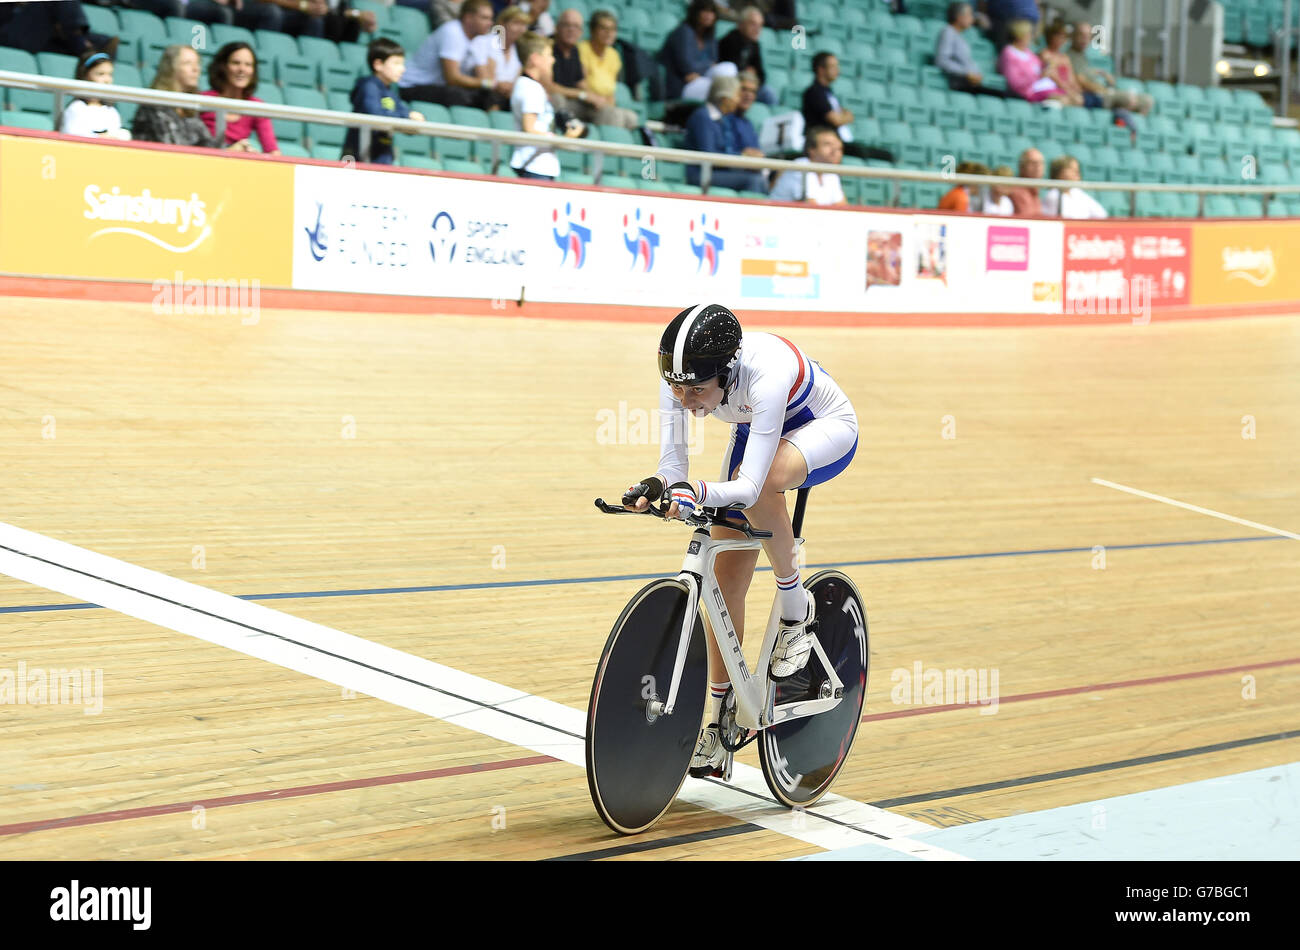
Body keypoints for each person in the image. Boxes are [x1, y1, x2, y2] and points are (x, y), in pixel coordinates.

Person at [621, 303, 858, 778]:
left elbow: (749, 487)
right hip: (758, 429)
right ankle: (721, 718)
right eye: (677, 388)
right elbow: (674, 466)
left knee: (765, 483)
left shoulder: (765, 374)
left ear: (727, 372)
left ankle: (795, 608)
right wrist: (661, 488)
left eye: (697, 391)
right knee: (727, 576)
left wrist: (697, 493)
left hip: (821, 426)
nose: (685, 399)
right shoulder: (682, 375)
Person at [510, 31, 584, 180]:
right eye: (549, 55)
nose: (553, 60)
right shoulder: (531, 88)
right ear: (535, 59)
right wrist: (561, 139)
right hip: (534, 166)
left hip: (536, 165)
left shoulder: (527, 85)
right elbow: (530, 129)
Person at [401, 0, 499, 109]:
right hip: (412, 86)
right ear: (468, 17)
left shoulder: (479, 39)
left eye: (490, 18)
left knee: (491, 97)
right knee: (458, 95)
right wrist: (486, 83)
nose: (490, 23)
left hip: (439, 88)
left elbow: (485, 78)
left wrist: (486, 83)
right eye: (484, 18)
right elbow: (452, 78)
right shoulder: (452, 31)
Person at [342, 38, 425, 165]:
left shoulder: (390, 92)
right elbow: (376, 116)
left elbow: (401, 113)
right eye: (396, 63)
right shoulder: (368, 86)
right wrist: (407, 117)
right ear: (378, 64)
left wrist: (412, 121)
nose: (402, 69)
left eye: (402, 64)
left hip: (381, 159)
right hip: (360, 159)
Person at [802, 51, 892, 163]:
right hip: (823, 143)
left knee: (885, 154)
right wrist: (845, 116)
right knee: (866, 152)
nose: (837, 70)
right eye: (833, 66)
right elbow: (836, 119)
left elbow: (841, 115)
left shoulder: (828, 92)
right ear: (821, 69)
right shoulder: (815, 92)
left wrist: (843, 116)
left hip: (836, 140)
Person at [683, 75, 766, 192]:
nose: (738, 101)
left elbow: (725, 151)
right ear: (725, 98)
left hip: (718, 171)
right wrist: (742, 156)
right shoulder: (703, 116)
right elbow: (709, 154)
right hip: (700, 174)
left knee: (760, 178)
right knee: (753, 181)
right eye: (736, 95)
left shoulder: (722, 120)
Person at [132, 45, 219, 147]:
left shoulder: (190, 107)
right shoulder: (153, 106)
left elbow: (207, 143)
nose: (196, 69)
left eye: (197, 64)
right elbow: (172, 147)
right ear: (171, 68)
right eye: (188, 63)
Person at [200, 42, 280, 154]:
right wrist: (230, 151)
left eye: (248, 65)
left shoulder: (256, 106)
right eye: (236, 63)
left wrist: (255, 156)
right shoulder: (203, 99)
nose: (242, 69)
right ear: (223, 66)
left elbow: (273, 152)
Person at [1066, 21, 1153, 115]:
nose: (1085, 40)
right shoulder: (1068, 57)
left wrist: (1102, 74)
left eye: (1088, 36)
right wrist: (1103, 90)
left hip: (1105, 91)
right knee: (1128, 99)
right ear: (1073, 36)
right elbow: (1081, 81)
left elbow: (1088, 73)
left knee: (1147, 101)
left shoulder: (1083, 56)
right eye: (1081, 35)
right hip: (1095, 95)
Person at [575, 9, 641, 128]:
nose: (608, 33)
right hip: (585, 103)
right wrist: (598, 100)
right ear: (592, 30)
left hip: (604, 103)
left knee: (632, 118)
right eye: (603, 28)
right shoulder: (581, 49)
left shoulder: (614, 55)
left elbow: (611, 91)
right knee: (615, 115)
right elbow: (581, 83)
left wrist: (608, 103)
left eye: (612, 29)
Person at [659, 0, 735, 101]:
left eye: (712, 12)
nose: (709, 16)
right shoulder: (683, 32)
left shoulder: (710, 37)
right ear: (696, 13)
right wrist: (708, 66)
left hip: (700, 79)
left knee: (729, 67)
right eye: (705, 11)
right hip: (682, 86)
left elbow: (714, 62)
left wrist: (701, 70)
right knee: (719, 90)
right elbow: (687, 66)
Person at [935, 2, 1005, 97]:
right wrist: (966, 74)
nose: (972, 19)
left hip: (968, 83)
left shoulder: (958, 35)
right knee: (1000, 95)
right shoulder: (948, 32)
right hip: (958, 83)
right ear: (959, 16)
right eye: (969, 15)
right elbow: (942, 60)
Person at [0, 1, 117, 57]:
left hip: (38, 37)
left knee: (104, 42)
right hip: (8, 33)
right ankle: (81, 44)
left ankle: (80, 43)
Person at [60, 50, 131, 140]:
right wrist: (103, 137)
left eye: (110, 74)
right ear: (85, 75)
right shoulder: (76, 108)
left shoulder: (111, 111)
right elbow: (73, 138)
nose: (107, 80)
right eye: (100, 74)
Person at [768, 125, 847, 205]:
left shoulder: (831, 171)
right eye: (827, 144)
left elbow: (842, 207)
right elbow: (811, 207)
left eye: (837, 146)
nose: (835, 150)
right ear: (811, 150)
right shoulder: (800, 166)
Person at [469, 5, 530, 109]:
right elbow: (484, 77)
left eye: (524, 25)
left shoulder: (519, 52)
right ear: (502, 24)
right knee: (492, 97)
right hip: (479, 95)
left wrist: (509, 88)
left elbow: (516, 83)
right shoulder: (483, 42)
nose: (520, 29)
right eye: (516, 23)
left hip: (505, 98)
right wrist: (499, 85)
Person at [998, 19, 1069, 104]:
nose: (1031, 37)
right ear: (1019, 35)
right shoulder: (1009, 53)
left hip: (1046, 88)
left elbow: (1041, 68)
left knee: (1074, 99)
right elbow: (1015, 83)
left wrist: (1047, 66)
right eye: (1028, 34)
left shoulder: (1028, 52)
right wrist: (1039, 76)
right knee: (1064, 100)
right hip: (1029, 92)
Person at [718, 6, 776, 106]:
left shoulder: (755, 45)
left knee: (768, 93)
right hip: (732, 86)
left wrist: (752, 78)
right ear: (741, 24)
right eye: (753, 24)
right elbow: (731, 70)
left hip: (749, 85)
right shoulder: (730, 40)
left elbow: (761, 75)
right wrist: (748, 73)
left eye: (760, 25)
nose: (757, 29)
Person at [1041, 154, 1107, 218]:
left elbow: (1101, 214)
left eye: (1077, 170)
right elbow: (1066, 219)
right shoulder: (1053, 195)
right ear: (1060, 172)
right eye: (1072, 169)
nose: (1077, 173)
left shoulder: (1076, 192)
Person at [236, 0, 328, 37]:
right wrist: (301, 5)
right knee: (273, 12)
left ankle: (308, 65)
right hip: (250, 6)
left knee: (315, 20)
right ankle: (268, 53)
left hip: (287, 14)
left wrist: (321, 8)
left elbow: (318, 3)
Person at [1007, 147, 1044, 215]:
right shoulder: (1016, 191)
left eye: (1041, 163)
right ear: (1022, 166)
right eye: (1033, 163)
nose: (1038, 167)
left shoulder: (1036, 192)